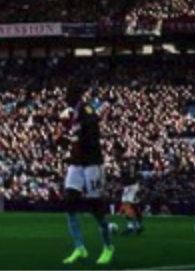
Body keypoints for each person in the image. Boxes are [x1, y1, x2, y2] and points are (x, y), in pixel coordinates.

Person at [60, 85, 114, 266]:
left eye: (69, 94)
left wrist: (73, 139)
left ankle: (108, 246)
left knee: (95, 207)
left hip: (92, 164)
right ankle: (79, 247)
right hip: (76, 164)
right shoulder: (73, 113)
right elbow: (76, 138)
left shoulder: (85, 109)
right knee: (69, 202)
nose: (66, 97)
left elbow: (91, 132)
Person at [119, 164, 143, 235]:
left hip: (130, 187)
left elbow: (131, 177)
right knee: (134, 206)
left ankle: (131, 226)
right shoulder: (129, 169)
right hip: (133, 187)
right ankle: (138, 226)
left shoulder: (130, 168)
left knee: (127, 206)